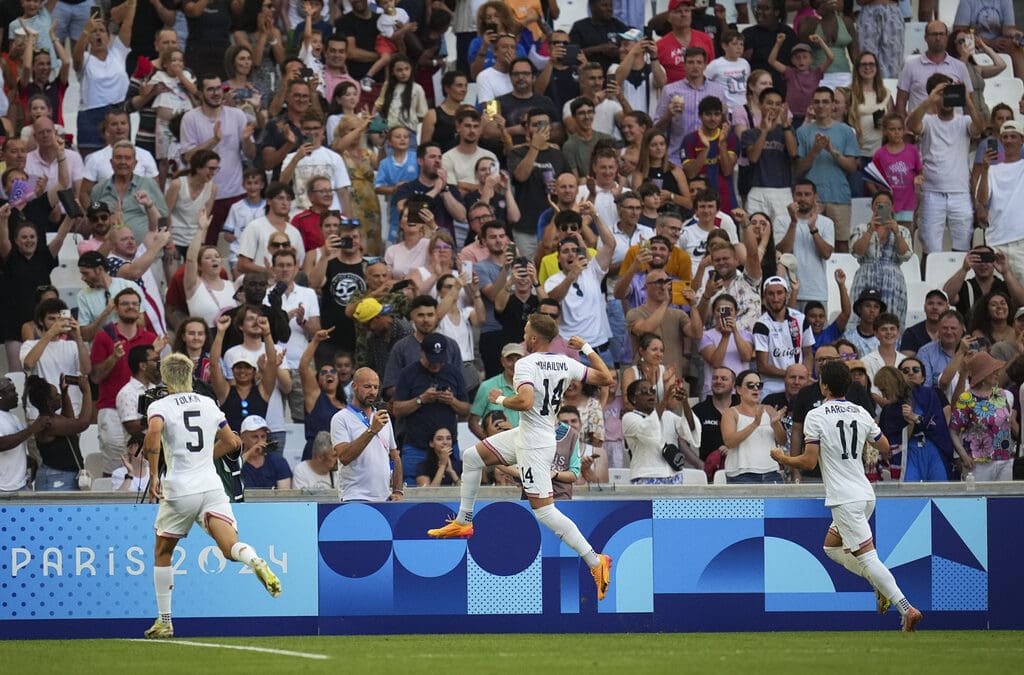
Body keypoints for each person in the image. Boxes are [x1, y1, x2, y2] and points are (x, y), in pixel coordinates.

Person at [426, 314, 616, 601]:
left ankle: (595, 561)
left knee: (544, 511)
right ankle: (464, 521)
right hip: (527, 434)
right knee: (471, 457)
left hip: (534, 445)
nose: (523, 333)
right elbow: (606, 378)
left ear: (533, 338)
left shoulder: (526, 364)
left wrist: (499, 400)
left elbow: (524, 401)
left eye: (526, 330)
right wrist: (587, 347)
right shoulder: (565, 362)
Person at [771, 359, 922, 631]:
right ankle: (880, 585)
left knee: (868, 558)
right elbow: (885, 446)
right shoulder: (861, 412)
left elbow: (808, 462)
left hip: (845, 498)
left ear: (823, 385)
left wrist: (783, 457)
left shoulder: (816, 416)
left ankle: (905, 607)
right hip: (865, 493)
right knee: (830, 548)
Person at [142, 352, 281, 639]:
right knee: (230, 547)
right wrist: (205, 458)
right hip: (211, 486)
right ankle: (254, 560)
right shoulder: (207, 403)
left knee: (163, 552)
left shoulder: (159, 405)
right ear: (190, 376)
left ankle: (165, 621)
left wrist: (155, 474)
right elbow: (233, 442)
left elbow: (153, 434)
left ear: (166, 378)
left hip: (180, 489)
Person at [907, 74, 985, 257]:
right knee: (931, 248)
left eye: (949, 92)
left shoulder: (964, 121)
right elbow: (912, 125)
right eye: (943, 93)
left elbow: (980, 128)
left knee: (963, 247)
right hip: (932, 193)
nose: (947, 97)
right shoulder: (927, 121)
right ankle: (930, 284)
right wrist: (930, 99)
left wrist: (967, 100)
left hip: (960, 193)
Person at [330, 366, 404, 502]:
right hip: (354, 497)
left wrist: (398, 491)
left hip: (384, 498)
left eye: (376, 387)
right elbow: (344, 457)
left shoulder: (383, 417)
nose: (372, 392)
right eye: (367, 386)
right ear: (354, 386)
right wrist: (372, 430)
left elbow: (395, 456)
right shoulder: (341, 418)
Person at [71, 5, 135, 156]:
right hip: (91, 115)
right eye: (94, 32)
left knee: (122, 158)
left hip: (119, 113)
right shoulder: (86, 59)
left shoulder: (118, 53)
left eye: (102, 31)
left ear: (108, 36)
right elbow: (76, 58)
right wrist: (86, 31)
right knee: (91, 162)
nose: (98, 34)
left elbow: (128, 24)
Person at [875, 366, 952, 482]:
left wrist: (916, 417)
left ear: (890, 386)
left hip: (933, 449)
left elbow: (939, 424)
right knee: (909, 492)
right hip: (909, 454)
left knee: (941, 490)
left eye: (884, 390)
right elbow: (892, 443)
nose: (883, 396)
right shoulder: (889, 411)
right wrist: (910, 423)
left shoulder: (926, 394)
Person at [848, 190, 913, 322]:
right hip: (865, 278)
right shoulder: (861, 228)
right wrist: (870, 230)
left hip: (893, 282)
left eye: (886, 205)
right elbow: (857, 252)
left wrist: (896, 232)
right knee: (860, 321)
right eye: (878, 204)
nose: (882, 208)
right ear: (872, 207)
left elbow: (905, 254)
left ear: (892, 207)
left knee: (891, 322)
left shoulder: (902, 230)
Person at [209, 311, 278, 434]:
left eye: (247, 367)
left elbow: (272, 363)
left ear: (254, 371)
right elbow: (214, 364)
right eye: (238, 367)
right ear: (232, 370)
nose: (242, 371)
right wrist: (220, 332)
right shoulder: (225, 391)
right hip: (231, 448)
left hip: (257, 445)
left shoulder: (263, 391)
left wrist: (267, 333)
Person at [622, 379, 701, 484]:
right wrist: (664, 401)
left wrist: (685, 402)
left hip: (674, 476)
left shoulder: (668, 415)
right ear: (633, 398)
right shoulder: (629, 418)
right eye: (644, 391)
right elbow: (648, 430)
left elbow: (690, 428)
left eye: (652, 390)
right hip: (646, 477)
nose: (650, 394)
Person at [976, 120, 1024, 284]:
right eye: (1005, 137)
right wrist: (984, 168)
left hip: (1021, 242)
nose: (1009, 140)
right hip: (996, 241)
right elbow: (982, 199)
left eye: (1013, 136)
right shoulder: (991, 169)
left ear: (1021, 140)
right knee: (996, 298)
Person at [720, 369, 786, 483]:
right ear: (739, 389)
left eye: (759, 385)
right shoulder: (730, 413)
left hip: (771, 472)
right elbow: (729, 442)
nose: (756, 388)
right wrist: (755, 424)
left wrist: (775, 424)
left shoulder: (769, 410)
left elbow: (782, 440)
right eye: (750, 385)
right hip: (741, 475)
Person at [468, 342, 524, 439]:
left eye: (518, 359)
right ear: (502, 361)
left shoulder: (530, 387)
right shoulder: (487, 386)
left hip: (523, 447)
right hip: (496, 449)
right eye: (510, 359)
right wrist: (490, 445)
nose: (514, 364)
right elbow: (473, 422)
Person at [0, 375, 38, 492]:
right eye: (11, 391)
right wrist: (31, 429)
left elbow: (15, 448)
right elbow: (2, 444)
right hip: (4, 489)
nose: (16, 394)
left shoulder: (14, 418)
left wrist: (31, 462)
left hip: (21, 485)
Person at [239, 415, 292, 490]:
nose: (260, 441)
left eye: (263, 436)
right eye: (255, 437)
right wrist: (249, 453)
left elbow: (285, 494)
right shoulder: (236, 461)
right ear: (242, 438)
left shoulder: (278, 461)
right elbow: (232, 471)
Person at [900, 290, 949, 357]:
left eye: (940, 304)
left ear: (947, 308)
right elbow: (906, 363)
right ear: (924, 307)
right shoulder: (911, 333)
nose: (934, 307)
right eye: (930, 303)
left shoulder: (955, 332)